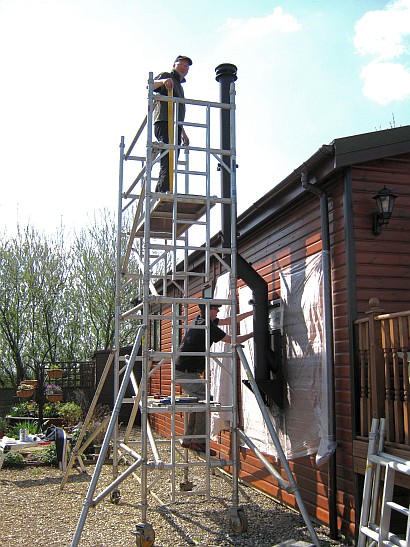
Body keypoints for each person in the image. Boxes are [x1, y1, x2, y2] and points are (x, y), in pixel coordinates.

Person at [174, 302, 254, 455]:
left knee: (198, 402)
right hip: (185, 371)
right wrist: (255, 333)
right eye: (215, 309)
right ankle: (198, 441)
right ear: (207, 310)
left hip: (185, 369)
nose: (218, 311)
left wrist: (251, 312)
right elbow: (233, 340)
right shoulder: (206, 326)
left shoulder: (201, 320)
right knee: (205, 401)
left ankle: (189, 439)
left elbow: (230, 320)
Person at [152, 55, 192, 192]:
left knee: (171, 160)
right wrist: (163, 81)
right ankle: (163, 192)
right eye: (181, 64)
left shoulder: (180, 87)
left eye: (186, 66)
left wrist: (183, 132)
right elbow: (149, 85)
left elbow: (176, 111)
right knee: (168, 158)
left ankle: (162, 190)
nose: (183, 68)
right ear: (174, 65)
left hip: (175, 125)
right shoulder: (167, 75)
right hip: (164, 121)